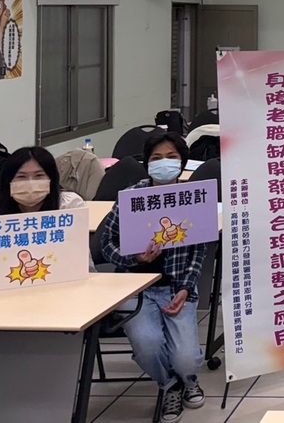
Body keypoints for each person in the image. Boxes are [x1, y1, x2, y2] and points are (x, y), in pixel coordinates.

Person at [101, 132, 207, 422]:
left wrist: (186, 288)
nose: (164, 163)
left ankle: (188, 378)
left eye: (171, 157)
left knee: (187, 359)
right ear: (147, 163)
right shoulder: (131, 198)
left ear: (182, 162)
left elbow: (199, 250)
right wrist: (133, 258)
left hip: (177, 287)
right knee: (147, 345)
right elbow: (106, 242)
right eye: (156, 158)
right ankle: (170, 385)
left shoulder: (192, 198)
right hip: (136, 289)